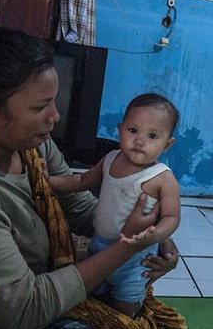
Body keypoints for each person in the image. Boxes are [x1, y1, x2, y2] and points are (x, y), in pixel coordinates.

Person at [0, 24, 180, 329]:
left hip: (26, 297)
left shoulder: (27, 145)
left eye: (54, 100)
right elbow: (26, 310)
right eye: (41, 106)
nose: (55, 116)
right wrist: (126, 247)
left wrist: (153, 237)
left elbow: (79, 208)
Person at [48, 93, 181, 318]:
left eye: (152, 136)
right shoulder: (110, 159)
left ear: (167, 145)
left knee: (124, 308)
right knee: (90, 300)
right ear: (120, 129)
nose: (140, 141)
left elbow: (171, 218)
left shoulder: (163, 178)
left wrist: (154, 236)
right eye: (132, 130)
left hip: (137, 258)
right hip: (99, 245)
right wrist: (49, 181)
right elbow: (82, 181)